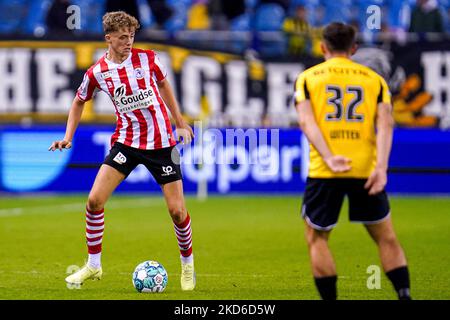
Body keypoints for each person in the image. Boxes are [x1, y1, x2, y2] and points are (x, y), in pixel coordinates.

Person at [48, 11, 196, 291]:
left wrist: (180, 123)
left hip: (162, 144)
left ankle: (188, 266)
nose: (129, 41)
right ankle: (93, 265)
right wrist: (68, 137)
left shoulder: (148, 59)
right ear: (109, 38)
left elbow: (164, 85)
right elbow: (79, 101)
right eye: (123, 37)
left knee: (177, 212)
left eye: (132, 36)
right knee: (94, 200)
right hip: (126, 142)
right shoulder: (97, 72)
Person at [294, 22, 411, 300]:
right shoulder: (375, 80)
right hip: (365, 170)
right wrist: (381, 168)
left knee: (317, 238)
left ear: (323, 47)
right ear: (354, 48)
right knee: (386, 237)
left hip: (326, 171)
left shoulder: (309, 78)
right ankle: (405, 295)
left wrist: (330, 157)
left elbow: (307, 123)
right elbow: (385, 126)